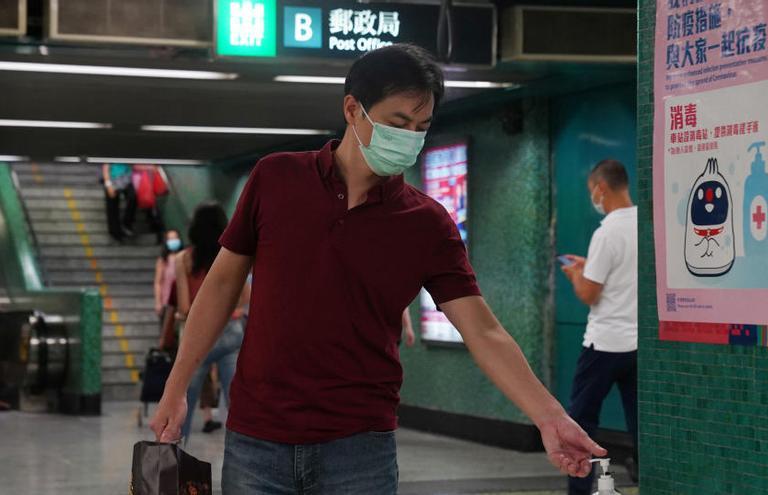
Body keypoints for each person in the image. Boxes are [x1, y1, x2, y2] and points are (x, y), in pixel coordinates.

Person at [151, 44, 605, 494]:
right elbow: (221, 285)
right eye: (398, 123)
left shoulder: (426, 223)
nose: (410, 137)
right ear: (353, 109)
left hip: (360, 450)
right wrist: (177, 384)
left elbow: (483, 331)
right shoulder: (275, 178)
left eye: (422, 127)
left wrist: (549, 416)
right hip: (258, 442)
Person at [560, 159, 638, 494]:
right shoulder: (645, 224)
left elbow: (590, 294)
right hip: (639, 345)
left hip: (604, 344)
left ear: (600, 188)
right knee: (641, 425)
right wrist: (589, 266)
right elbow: (623, 274)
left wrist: (577, 274)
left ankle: (579, 491)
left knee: (581, 423)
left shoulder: (606, 232)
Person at [167, 202, 249, 440]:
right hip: (231, 334)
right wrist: (229, 312)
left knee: (183, 405)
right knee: (239, 407)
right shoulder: (231, 257)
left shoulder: (183, 259)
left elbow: (183, 307)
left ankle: (177, 464)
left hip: (198, 339)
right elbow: (246, 295)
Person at [101, 163, 135, 241]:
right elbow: (105, 168)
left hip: (127, 179)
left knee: (133, 199)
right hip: (112, 180)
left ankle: (126, 225)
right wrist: (108, 184)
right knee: (112, 208)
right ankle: (115, 232)